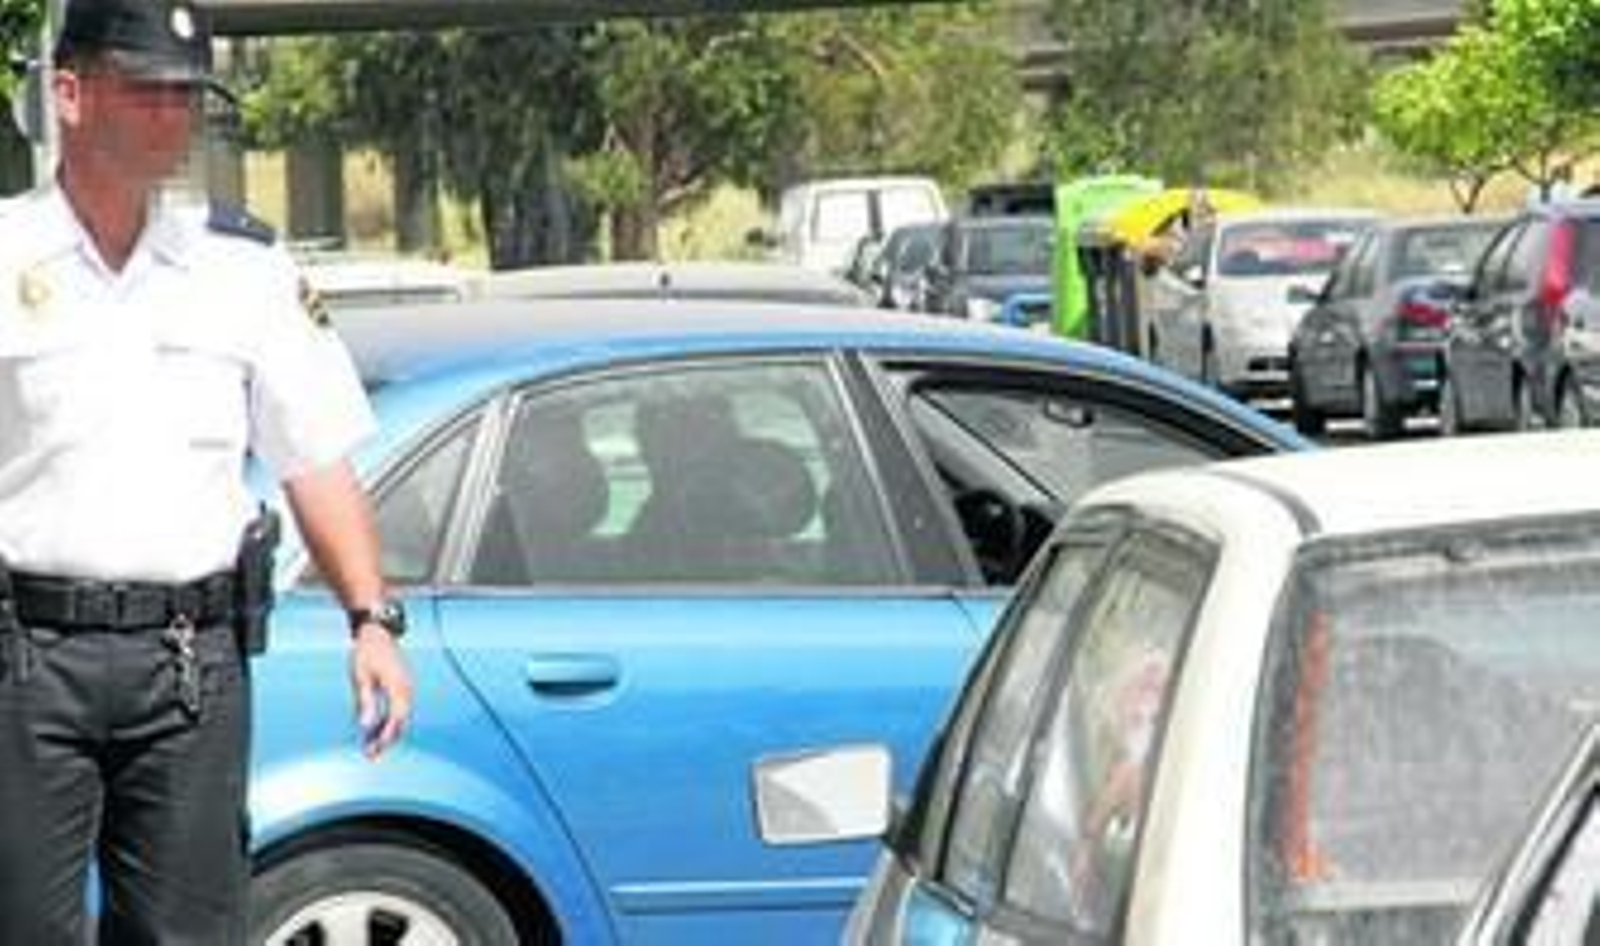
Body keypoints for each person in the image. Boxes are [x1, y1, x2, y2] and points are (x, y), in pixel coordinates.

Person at [0, 2, 413, 943]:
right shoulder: (5, 254)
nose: (172, 117)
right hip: (25, 654)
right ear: (69, 93)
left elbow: (314, 455)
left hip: (188, 660)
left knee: (191, 929)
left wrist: (371, 619)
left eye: (187, 95)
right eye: (147, 91)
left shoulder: (241, 269)